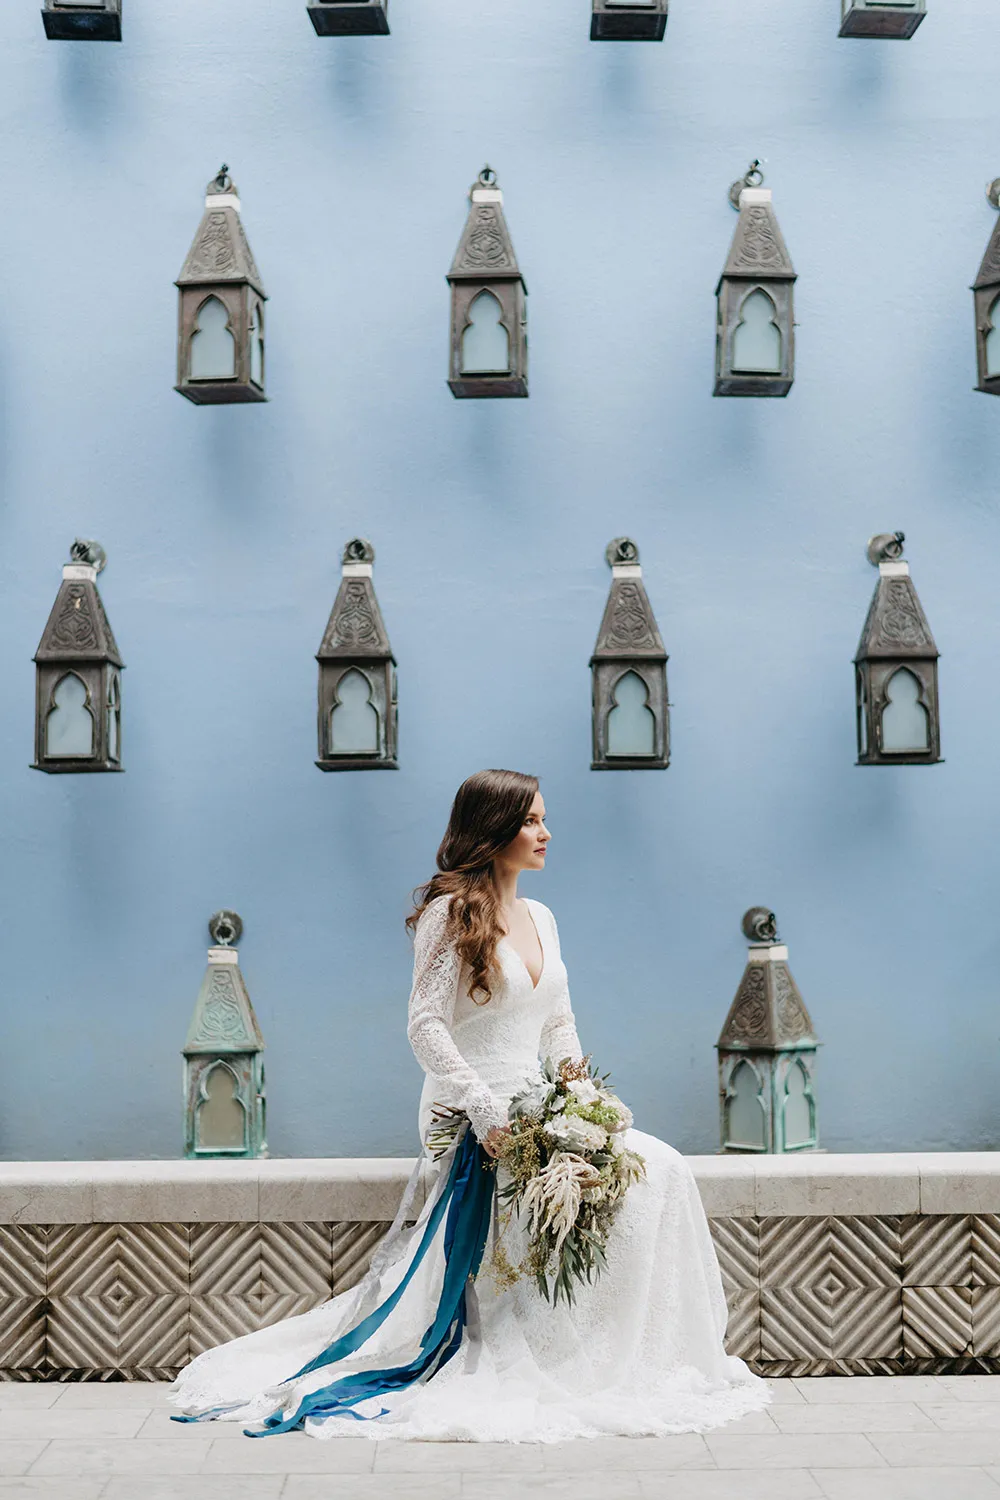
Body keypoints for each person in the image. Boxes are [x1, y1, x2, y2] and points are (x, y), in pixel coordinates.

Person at [167, 769, 769, 1441]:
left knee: (662, 1170)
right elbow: (425, 1026)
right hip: (466, 1107)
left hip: (541, 1099)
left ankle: (617, 1355)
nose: (546, 832)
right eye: (532, 820)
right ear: (494, 830)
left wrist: (587, 1097)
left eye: (543, 819)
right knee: (552, 1182)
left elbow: (557, 1022)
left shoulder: (542, 917)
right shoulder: (447, 913)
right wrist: (481, 1105)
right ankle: (543, 1345)